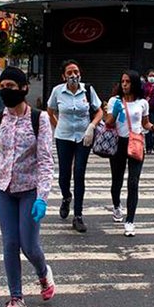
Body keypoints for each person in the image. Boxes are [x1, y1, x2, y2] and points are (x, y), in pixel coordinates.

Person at [0, 66, 55, 307]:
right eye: (3, 86)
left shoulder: (39, 118)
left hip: (29, 189)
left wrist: (42, 197)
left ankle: (43, 274)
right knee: (10, 243)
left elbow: (45, 160)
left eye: (11, 86)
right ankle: (16, 298)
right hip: (3, 188)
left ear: (24, 89)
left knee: (29, 246)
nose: (6, 91)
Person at [102, 69, 154, 236]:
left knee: (133, 183)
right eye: (122, 82)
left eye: (128, 82)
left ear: (134, 84)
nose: (124, 84)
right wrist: (114, 113)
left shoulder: (142, 103)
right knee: (117, 180)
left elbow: (145, 123)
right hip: (118, 144)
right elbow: (107, 123)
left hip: (135, 142)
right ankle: (116, 206)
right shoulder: (115, 101)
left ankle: (130, 221)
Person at [46, 59, 103, 232]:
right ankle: (66, 197)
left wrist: (91, 127)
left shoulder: (88, 90)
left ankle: (78, 216)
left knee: (79, 173)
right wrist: (58, 126)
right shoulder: (57, 91)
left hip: (83, 138)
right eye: (69, 73)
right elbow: (50, 111)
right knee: (64, 174)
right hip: (63, 137)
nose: (73, 75)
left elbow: (100, 110)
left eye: (76, 72)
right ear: (63, 76)